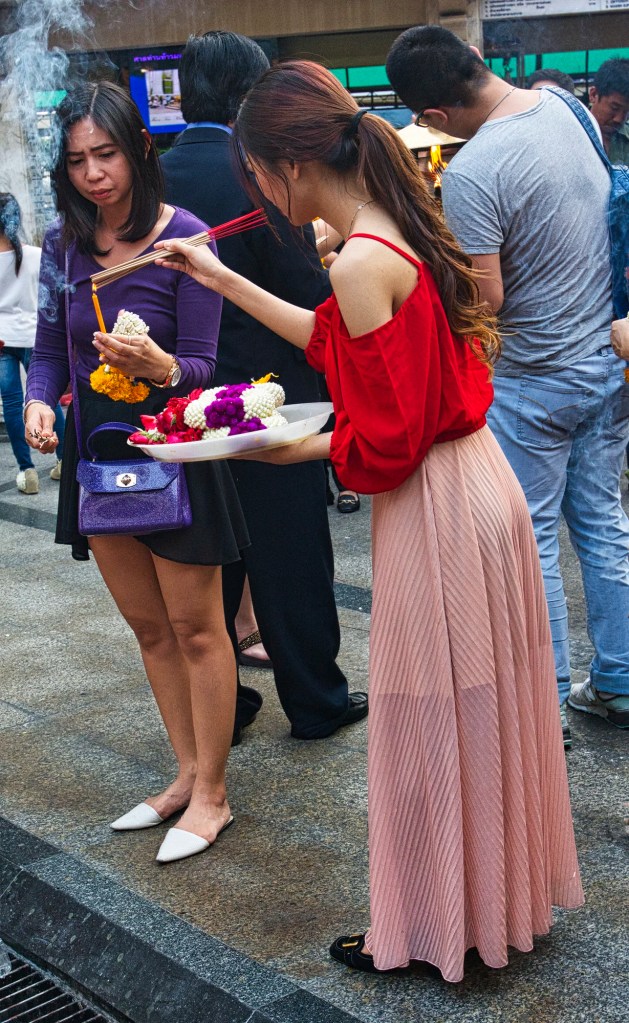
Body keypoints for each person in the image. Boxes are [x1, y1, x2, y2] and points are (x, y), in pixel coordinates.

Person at [156, 58, 584, 981]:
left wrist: (275, 448)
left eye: (255, 177)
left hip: (433, 502)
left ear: (284, 169)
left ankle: (433, 928)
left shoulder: (356, 259)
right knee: (483, 711)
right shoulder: (390, 232)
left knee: (427, 721)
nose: (258, 194)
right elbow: (341, 344)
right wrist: (220, 280)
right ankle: (491, 905)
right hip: (479, 485)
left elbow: (382, 443)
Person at [24, 81, 249, 865]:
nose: (93, 174)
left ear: (140, 149)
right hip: (100, 458)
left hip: (175, 456)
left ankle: (215, 794)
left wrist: (159, 367)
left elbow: (203, 368)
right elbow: (52, 345)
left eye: (107, 154)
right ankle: (184, 775)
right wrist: (38, 403)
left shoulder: (185, 236)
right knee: (150, 630)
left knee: (196, 628)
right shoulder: (62, 243)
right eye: (79, 159)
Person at [386, 26, 629, 745]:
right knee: (605, 524)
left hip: (532, 381)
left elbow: (483, 298)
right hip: (604, 363)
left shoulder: (474, 171)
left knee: (533, 547)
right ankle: (616, 676)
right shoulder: (569, 112)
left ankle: (542, 707)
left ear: (430, 114)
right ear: (478, 66)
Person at [160, 31, 367, 743]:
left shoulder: (151, 178)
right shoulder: (259, 171)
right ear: (251, 95)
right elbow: (305, 293)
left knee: (204, 560)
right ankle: (314, 699)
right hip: (268, 396)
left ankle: (228, 709)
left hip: (181, 403)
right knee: (289, 553)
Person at [0, 193, 65, 493]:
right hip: (36, 338)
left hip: (2, 341)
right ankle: (63, 459)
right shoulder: (38, 255)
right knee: (44, 400)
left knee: (13, 405)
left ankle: (27, 473)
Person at [588, 58, 629, 164]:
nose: (619, 119)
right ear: (593, 95)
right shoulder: (572, 132)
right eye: (614, 108)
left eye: (627, 112)